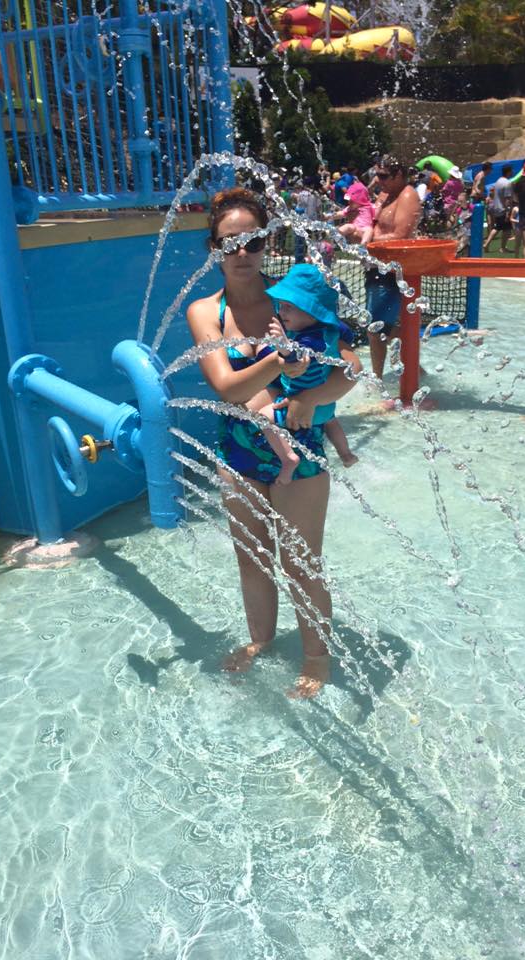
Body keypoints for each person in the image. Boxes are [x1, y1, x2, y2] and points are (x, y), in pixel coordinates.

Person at [186, 187, 362, 698]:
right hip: (238, 452)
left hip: (298, 450)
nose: (242, 253)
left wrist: (312, 397)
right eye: (229, 243)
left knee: (300, 563)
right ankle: (260, 640)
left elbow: (350, 366)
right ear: (213, 248)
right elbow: (226, 388)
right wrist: (278, 361)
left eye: (254, 241)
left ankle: (316, 658)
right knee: (253, 558)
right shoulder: (205, 312)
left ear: (268, 243)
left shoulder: (292, 298)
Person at [247, 264, 357, 483]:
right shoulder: (326, 332)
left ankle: (288, 458)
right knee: (331, 423)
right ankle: (345, 454)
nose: (281, 312)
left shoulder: (311, 339)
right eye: (281, 306)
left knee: (263, 417)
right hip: (324, 405)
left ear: (312, 310)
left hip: (304, 407)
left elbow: (298, 358)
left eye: (289, 307)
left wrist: (283, 348)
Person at [363, 155, 422, 379]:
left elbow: (400, 236)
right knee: (380, 328)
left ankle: (377, 380)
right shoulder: (386, 195)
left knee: (376, 329)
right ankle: (415, 367)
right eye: (376, 175)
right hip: (378, 267)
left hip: (393, 271)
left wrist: (368, 240)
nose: (378, 180)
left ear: (399, 175)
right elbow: (372, 223)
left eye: (383, 176)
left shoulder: (407, 195)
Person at [327, 179, 375, 245]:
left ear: (360, 200)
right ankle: (333, 237)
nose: (349, 202)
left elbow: (377, 214)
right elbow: (340, 213)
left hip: (365, 227)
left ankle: (363, 245)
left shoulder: (369, 206)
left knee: (369, 230)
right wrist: (328, 216)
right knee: (348, 226)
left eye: (351, 201)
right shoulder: (349, 208)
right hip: (354, 227)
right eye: (348, 201)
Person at [483, 164, 514, 253]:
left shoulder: (498, 181)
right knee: (507, 230)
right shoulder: (507, 183)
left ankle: (487, 244)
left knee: (497, 227)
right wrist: (508, 211)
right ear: (508, 172)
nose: (512, 172)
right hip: (503, 209)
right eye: (511, 171)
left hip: (496, 208)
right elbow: (507, 199)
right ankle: (502, 248)